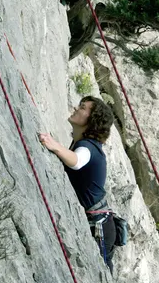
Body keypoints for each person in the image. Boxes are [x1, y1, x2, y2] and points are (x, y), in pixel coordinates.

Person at [38, 96, 116, 273]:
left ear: (92, 120)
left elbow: (77, 161)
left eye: (82, 107)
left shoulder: (87, 146)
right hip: (100, 222)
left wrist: (55, 146)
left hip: (99, 226)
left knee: (101, 273)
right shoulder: (85, 144)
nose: (75, 108)